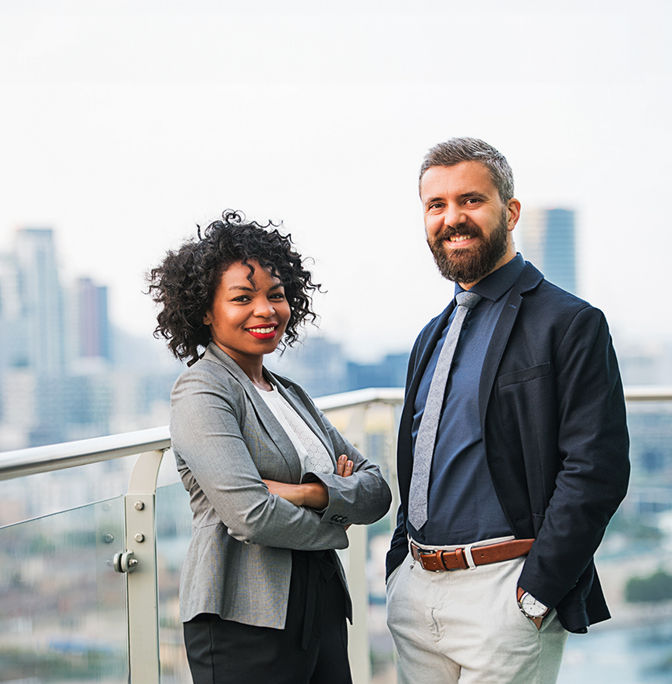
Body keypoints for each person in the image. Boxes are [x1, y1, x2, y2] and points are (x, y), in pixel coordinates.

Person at [385, 137, 630, 683]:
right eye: (436, 205)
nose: (452, 218)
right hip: (417, 591)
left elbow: (597, 468)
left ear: (510, 211)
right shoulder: (431, 335)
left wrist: (538, 590)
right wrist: (400, 567)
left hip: (505, 593)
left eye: (470, 200)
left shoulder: (570, 322)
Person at [149, 210, 392, 684]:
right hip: (244, 617)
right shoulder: (203, 390)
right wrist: (339, 519)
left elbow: (377, 490)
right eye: (243, 298)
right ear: (204, 311)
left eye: (276, 295)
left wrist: (309, 494)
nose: (266, 310)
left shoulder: (289, 393)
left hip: (318, 603)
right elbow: (251, 515)